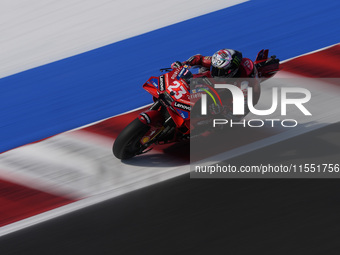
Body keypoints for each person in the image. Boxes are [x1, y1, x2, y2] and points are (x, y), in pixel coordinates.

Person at [171, 49, 261, 120]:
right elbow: (200, 58)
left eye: (219, 71)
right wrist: (184, 64)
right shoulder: (220, 61)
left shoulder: (244, 85)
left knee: (216, 115)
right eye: (214, 68)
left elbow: (240, 111)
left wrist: (223, 110)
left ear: (231, 71)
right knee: (192, 78)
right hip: (219, 81)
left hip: (233, 93)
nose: (215, 71)